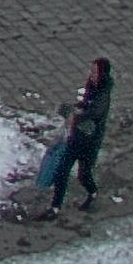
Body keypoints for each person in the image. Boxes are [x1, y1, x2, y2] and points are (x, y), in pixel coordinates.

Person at [38, 58, 113, 216]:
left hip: (90, 142)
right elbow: (86, 104)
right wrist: (74, 109)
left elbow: (96, 112)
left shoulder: (104, 93)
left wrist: (77, 117)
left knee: (83, 174)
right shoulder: (92, 85)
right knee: (62, 171)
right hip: (77, 136)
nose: (91, 75)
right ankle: (55, 207)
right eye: (91, 71)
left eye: (94, 72)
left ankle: (92, 193)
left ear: (102, 74)